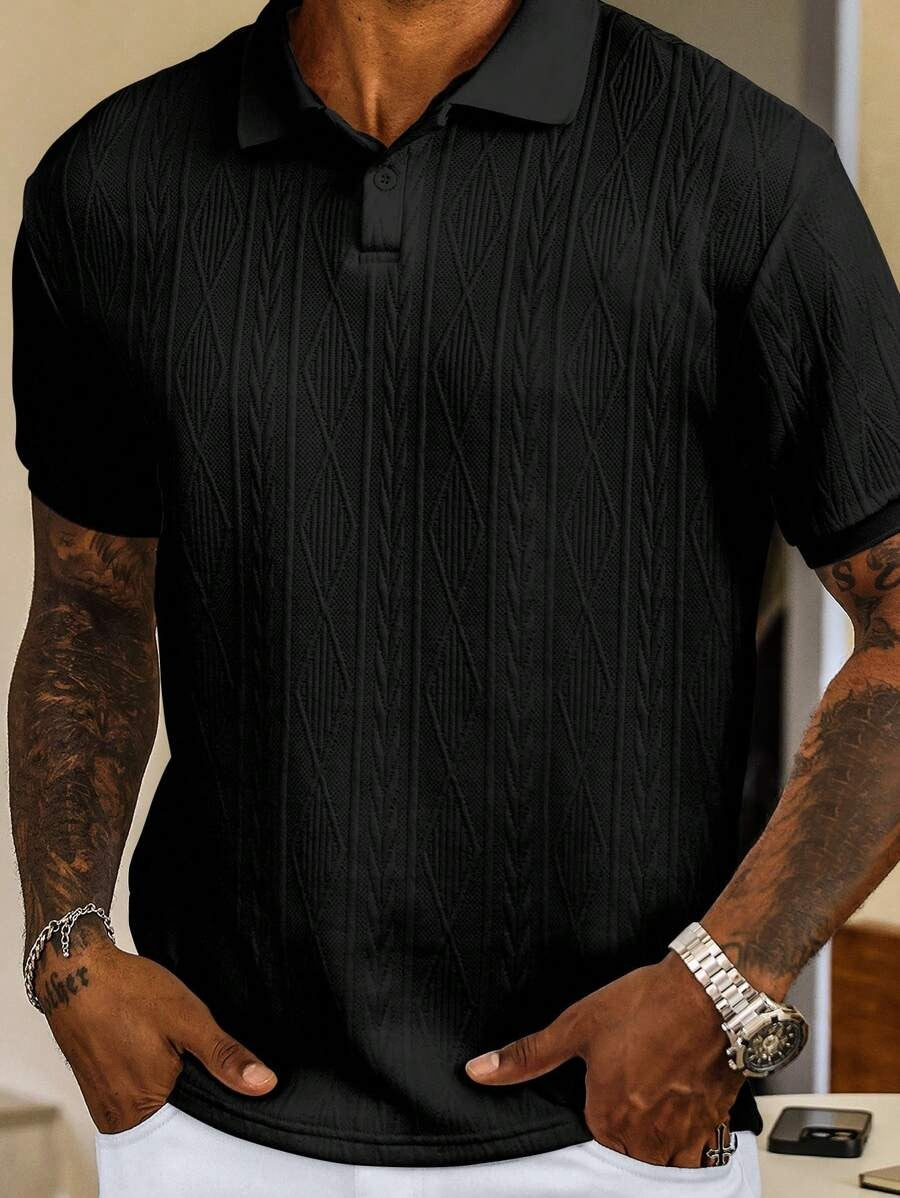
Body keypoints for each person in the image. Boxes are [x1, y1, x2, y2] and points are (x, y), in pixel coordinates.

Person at [8, 0, 900, 1194]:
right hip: (210, 1123)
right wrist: (67, 948)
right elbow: (90, 604)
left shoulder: (745, 172)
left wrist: (728, 985)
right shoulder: (111, 186)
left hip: (612, 1130)